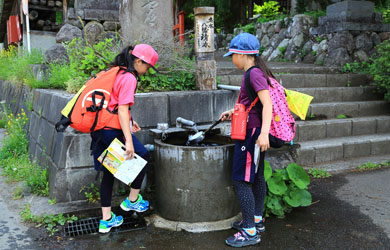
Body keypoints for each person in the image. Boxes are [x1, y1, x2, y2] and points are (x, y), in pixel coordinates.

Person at [90, 44, 159, 233]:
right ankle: (133, 200)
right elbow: (121, 109)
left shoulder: (118, 72)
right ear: (138, 61)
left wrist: (130, 121)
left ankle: (106, 220)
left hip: (100, 129)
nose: (147, 71)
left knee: (109, 172)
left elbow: (114, 103)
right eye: (147, 67)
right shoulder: (129, 78)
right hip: (112, 130)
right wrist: (128, 140)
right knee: (143, 155)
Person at [219, 33, 273, 248]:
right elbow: (255, 104)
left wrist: (263, 133)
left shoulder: (254, 74)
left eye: (233, 55)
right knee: (258, 176)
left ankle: (249, 231)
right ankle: (256, 220)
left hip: (252, 134)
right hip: (253, 130)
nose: (232, 59)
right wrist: (234, 111)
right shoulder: (254, 73)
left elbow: (267, 104)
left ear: (242, 54)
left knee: (242, 180)